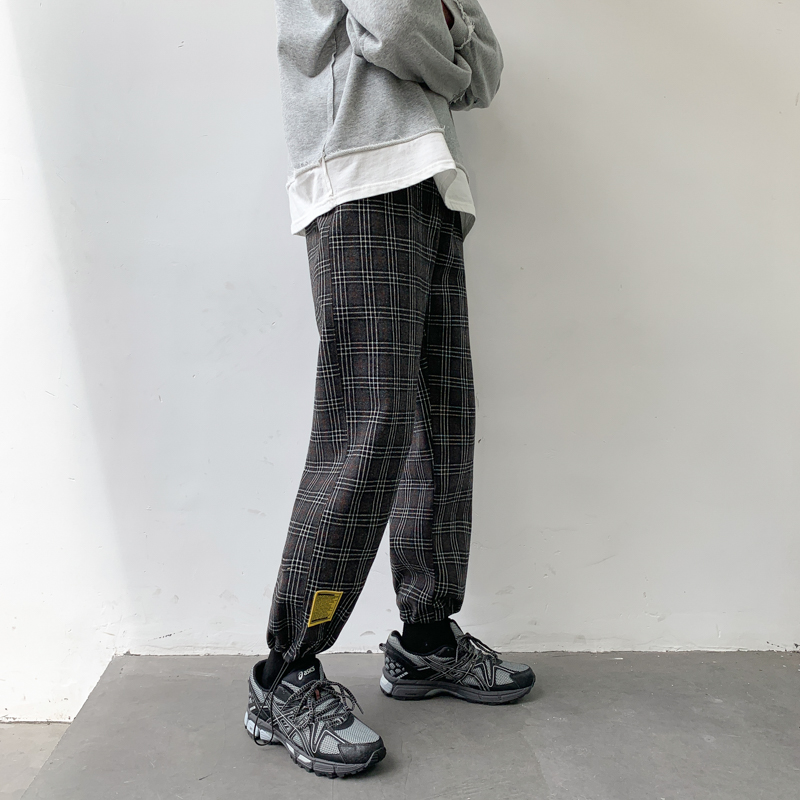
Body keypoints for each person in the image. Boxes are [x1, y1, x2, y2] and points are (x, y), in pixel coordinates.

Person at [244, 0, 534, 777]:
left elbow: (487, 72)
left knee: (440, 419)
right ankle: (285, 673)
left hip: (434, 185)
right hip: (360, 171)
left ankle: (426, 639)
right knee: (369, 423)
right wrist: (446, 44)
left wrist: (446, 34)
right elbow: (400, 25)